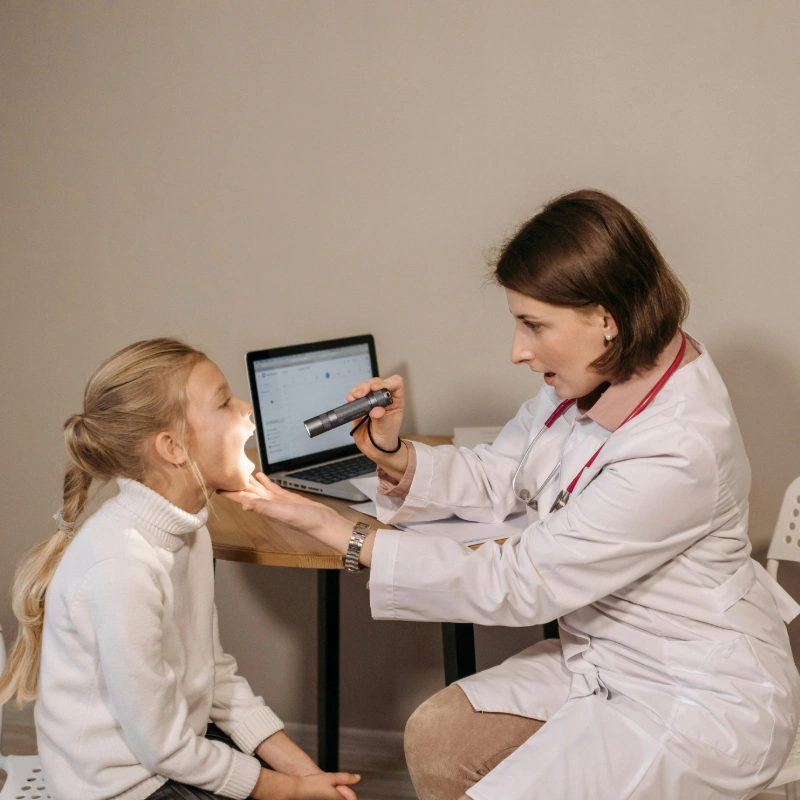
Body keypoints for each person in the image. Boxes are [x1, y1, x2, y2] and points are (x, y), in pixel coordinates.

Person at [223, 189, 800, 800]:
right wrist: (395, 455)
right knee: (437, 737)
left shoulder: (680, 446)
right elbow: (506, 469)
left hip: (693, 694)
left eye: (533, 325)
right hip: (604, 657)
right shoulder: (599, 370)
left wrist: (350, 536)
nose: (517, 350)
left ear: (606, 318)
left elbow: (522, 581)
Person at [0, 338, 360, 800]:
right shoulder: (123, 567)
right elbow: (165, 750)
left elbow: (213, 676)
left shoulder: (189, 532)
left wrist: (304, 775)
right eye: (225, 401)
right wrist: (286, 791)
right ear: (172, 447)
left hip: (169, 752)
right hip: (123, 787)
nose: (247, 408)